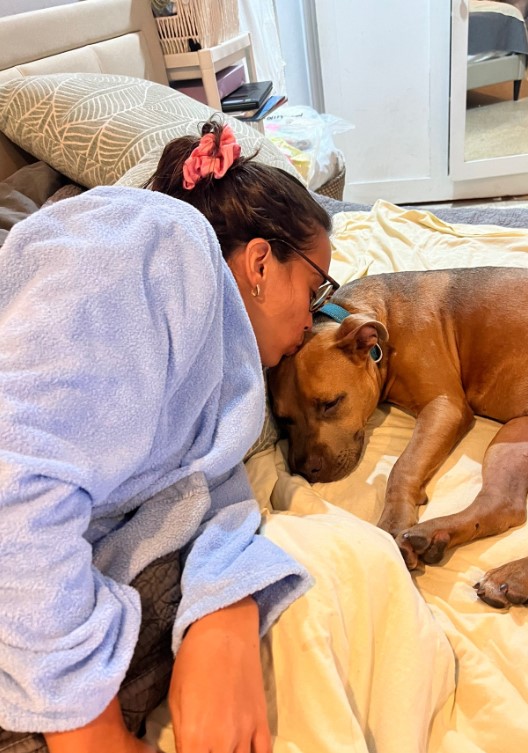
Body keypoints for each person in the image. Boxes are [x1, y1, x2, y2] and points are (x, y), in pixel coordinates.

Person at [0, 118, 454, 753]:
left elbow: (204, 486)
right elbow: (16, 483)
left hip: (74, 597)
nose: (315, 316)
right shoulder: (149, 243)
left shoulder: (221, 363)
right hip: (36, 625)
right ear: (262, 262)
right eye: (317, 285)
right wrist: (90, 733)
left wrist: (226, 605)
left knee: (353, 569)